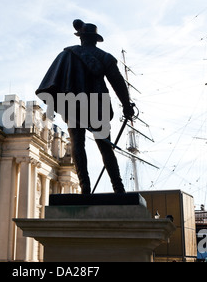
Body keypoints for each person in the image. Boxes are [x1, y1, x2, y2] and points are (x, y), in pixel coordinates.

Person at [36, 19, 134, 194]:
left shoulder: (67, 54)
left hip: (74, 104)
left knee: (77, 144)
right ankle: (118, 188)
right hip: (98, 105)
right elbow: (118, 83)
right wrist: (127, 105)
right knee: (105, 148)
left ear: (81, 38)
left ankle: (85, 188)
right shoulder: (105, 57)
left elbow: (52, 83)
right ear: (96, 39)